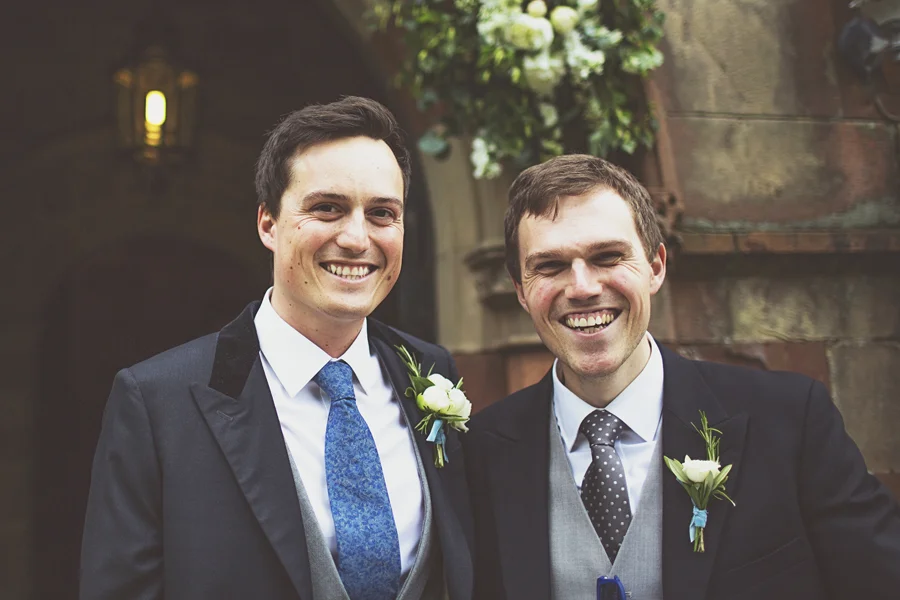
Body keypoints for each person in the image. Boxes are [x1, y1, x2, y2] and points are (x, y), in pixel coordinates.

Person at [81, 96, 473, 600]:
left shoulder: (431, 370)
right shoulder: (158, 401)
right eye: (327, 208)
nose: (357, 239)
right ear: (268, 223)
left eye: (382, 214)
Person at [462, 154, 900, 600]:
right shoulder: (478, 453)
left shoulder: (790, 420)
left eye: (608, 257)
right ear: (521, 290)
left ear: (655, 267)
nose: (582, 288)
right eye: (550, 266)